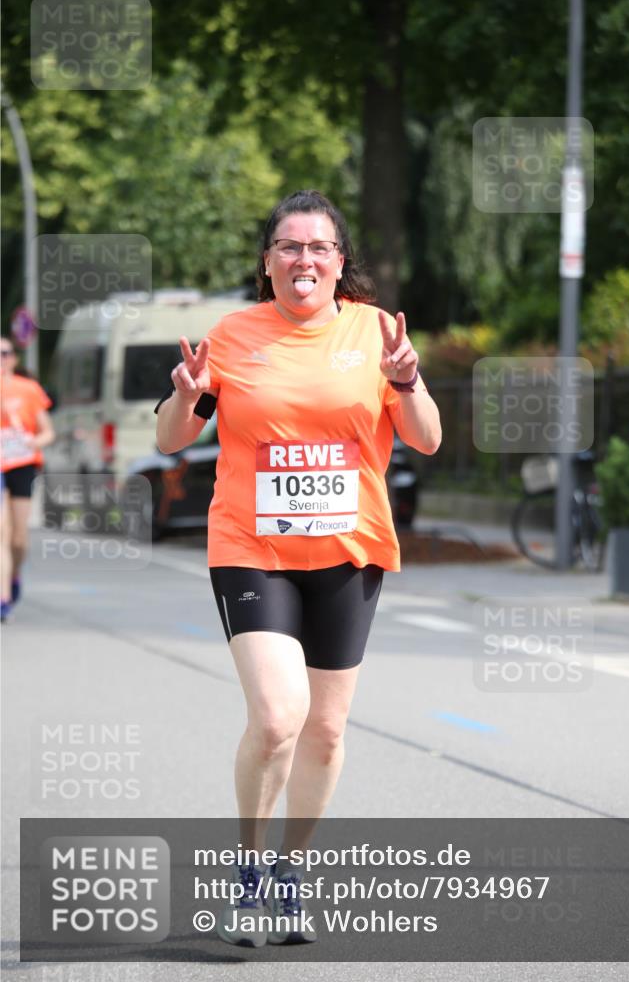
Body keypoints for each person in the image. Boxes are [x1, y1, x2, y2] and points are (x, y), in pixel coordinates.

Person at [155, 189, 441, 946]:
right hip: (251, 547)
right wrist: (186, 397)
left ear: (340, 262)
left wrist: (407, 381)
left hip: (347, 551)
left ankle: (291, 875)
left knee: (324, 731)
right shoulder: (232, 335)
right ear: (268, 262)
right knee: (279, 716)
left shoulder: (375, 333)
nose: (303, 259)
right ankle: (248, 873)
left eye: (318, 247)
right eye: (288, 246)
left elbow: (427, 439)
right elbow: (170, 440)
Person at [0, 338, 55, 622]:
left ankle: (14, 574)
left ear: (13, 358)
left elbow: (48, 432)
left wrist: (33, 442)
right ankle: (3, 598)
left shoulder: (28, 389)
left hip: (22, 463)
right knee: (1, 532)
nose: (0, 359)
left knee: (18, 539)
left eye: (4, 353)